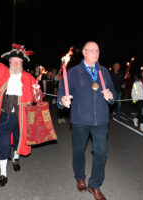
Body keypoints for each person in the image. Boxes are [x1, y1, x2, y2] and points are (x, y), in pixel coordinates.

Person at [0, 27, 40, 187]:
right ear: (9, 62)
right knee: (3, 143)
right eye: (13, 62)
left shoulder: (29, 78)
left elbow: (37, 100)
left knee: (18, 141)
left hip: (21, 116)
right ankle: (3, 174)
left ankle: (16, 158)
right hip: (4, 115)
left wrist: (37, 92)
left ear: (22, 64)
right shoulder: (3, 72)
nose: (16, 64)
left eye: (19, 62)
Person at [58, 41, 116, 200]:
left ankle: (95, 185)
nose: (96, 53)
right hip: (80, 119)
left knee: (101, 153)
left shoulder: (104, 71)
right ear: (84, 52)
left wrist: (111, 98)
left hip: (101, 120)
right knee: (78, 151)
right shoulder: (74, 72)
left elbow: (112, 91)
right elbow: (63, 91)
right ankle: (80, 177)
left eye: (97, 51)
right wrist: (62, 101)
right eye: (92, 51)